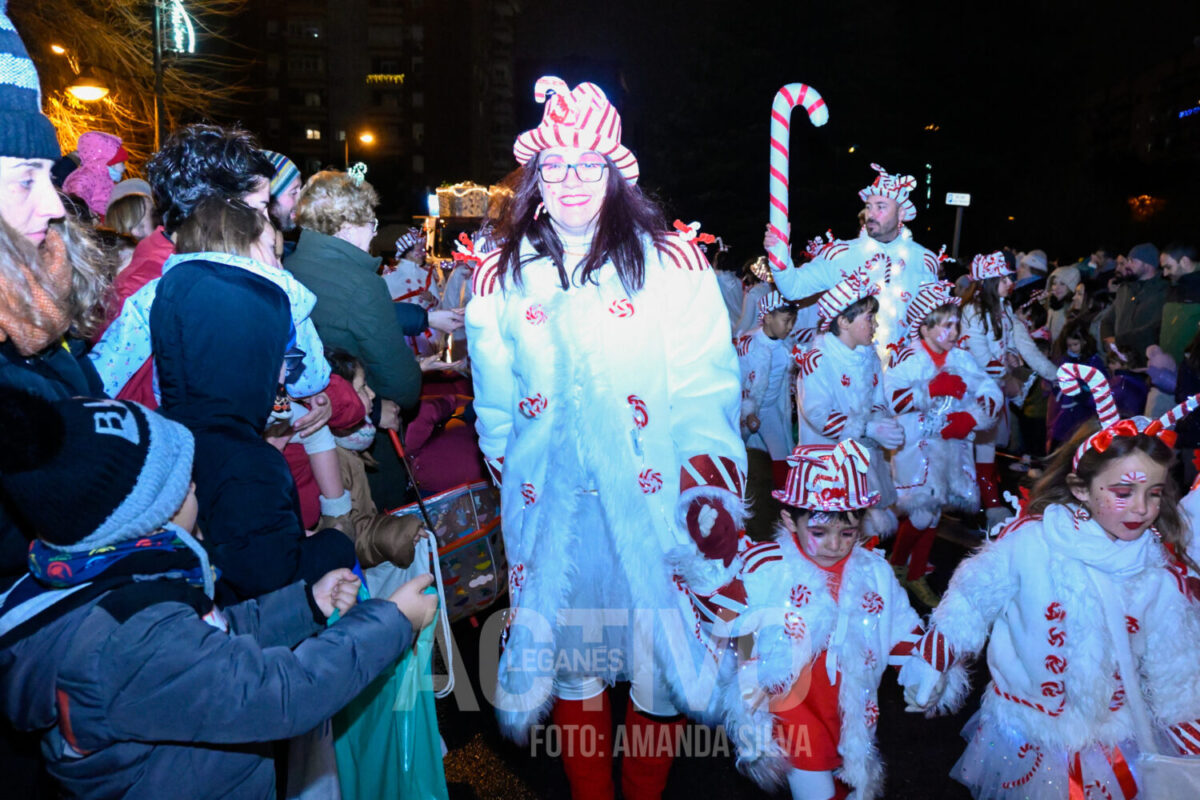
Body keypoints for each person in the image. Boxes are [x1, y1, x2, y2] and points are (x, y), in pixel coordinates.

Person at [465, 76, 746, 800]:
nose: (570, 181)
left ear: (616, 174)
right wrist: (526, 485)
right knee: (576, 667)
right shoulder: (501, 276)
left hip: (656, 513)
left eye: (589, 164)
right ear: (534, 177)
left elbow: (705, 392)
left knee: (660, 675)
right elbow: (495, 411)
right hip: (557, 515)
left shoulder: (673, 266)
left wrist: (706, 502)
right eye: (553, 166)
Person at [0, 388, 438, 800]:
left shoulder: (110, 580)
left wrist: (306, 605)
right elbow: (282, 694)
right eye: (182, 483)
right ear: (147, 519)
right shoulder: (127, 639)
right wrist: (393, 620)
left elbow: (211, 641)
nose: (195, 486)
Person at [908, 364, 1200, 799]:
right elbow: (973, 598)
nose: (1141, 508)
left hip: (1113, 737)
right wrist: (936, 657)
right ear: (1081, 489)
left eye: (1154, 493)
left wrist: (1186, 725)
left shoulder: (1154, 567)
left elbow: (1172, 660)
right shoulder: (1030, 543)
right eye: (1122, 492)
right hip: (1030, 731)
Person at [718, 440, 956, 800]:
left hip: (850, 710)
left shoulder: (875, 571)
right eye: (819, 533)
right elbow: (739, 630)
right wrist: (748, 690)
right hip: (792, 708)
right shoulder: (766, 570)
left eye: (847, 533)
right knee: (815, 789)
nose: (834, 545)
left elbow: (900, 629)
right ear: (789, 520)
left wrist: (920, 667)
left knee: (847, 781)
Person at [150, 196, 356, 600]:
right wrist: (336, 545)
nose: (283, 371)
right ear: (247, 360)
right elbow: (273, 579)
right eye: (275, 356)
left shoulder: (163, 436)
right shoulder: (248, 464)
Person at [284, 168, 424, 509]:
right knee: (379, 529)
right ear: (347, 226)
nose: (374, 235)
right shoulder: (362, 284)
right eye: (371, 225)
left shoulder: (289, 266)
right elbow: (401, 383)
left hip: (309, 435)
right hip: (362, 434)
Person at [885, 282, 1001, 606]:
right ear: (925, 326)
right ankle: (897, 568)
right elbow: (890, 398)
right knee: (921, 514)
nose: (954, 331)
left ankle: (914, 573)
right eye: (947, 324)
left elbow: (991, 391)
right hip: (917, 453)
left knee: (933, 517)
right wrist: (929, 390)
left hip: (949, 453)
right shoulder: (908, 359)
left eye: (956, 324)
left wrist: (970, 419)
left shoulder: (962, 359)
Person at [766, 163, 940, 358]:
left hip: (902, 376)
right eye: (868, 207)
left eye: (881, 207)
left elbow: (933, 326)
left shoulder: (924, 261)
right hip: (847, 375)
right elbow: (793, 288)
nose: (871, 214)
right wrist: (778, 257)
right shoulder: (842, 254)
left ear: (901, 214)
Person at [796, 265, 903, 540]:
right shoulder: (819, 360)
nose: (876, 324)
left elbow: (879, 400)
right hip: (828, 467)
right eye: (869, 318)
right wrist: (867, 428)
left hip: (864, 464)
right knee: (829, 540)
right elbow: (818, 414)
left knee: (861, 538)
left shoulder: (869, 355)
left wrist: (882, 424)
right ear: (843, 321)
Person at [959, 252, 1058, 528]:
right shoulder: (972, 312)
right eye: (1003, 278)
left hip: (993, 390)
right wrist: (1005, 371)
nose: (1009, 282)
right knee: (969, 448)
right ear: (988, 282)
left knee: (986, 447)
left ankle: (987, 505)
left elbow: (1021, 345)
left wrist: (1054, 374)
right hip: (972, 394)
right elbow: (979, 354)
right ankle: (974, 504)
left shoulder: (1002, 310)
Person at [1101, 242, 1167, 360]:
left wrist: (1120, 341)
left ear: (1147, 264)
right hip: (1119, 360)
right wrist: (1109, 342)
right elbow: (1107, 321)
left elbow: (1155, 329)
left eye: (1132, 261)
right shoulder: (1125, 289)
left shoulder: (1163, 292)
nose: (1127, 265)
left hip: (1145, 363)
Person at [61, 131, 127, 219]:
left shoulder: (104, 179)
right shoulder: (84, 177)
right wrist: (92, 218)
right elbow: (76, 203)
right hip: (90, 226)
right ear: (109, 162)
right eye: (122, 163)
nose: (125, 168)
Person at [1159, 241, 1200, 363]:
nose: (1165, 273)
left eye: (1168, 267)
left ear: (1185, 262)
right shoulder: (1175, 287)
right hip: (1169, 372)